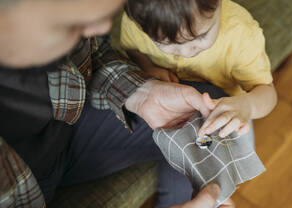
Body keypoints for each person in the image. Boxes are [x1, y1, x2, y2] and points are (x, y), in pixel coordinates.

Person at [0, 0, 234, 208]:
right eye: (69, 25)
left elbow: (94, 52)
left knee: (207, 116)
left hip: (70, 129)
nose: (104, 28)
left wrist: (140, 93)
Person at [112, 0, 278, 139]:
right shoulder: (137, 22)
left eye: (201, 36)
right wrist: (148, 67)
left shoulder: (242, 33)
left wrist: (247, 106)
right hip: (170, 104)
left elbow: (267, 92)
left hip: (228, 112)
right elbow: (133, 49)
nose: (187, 52)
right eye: (166, 43)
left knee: (232, 158)